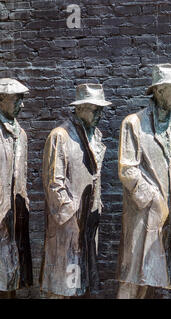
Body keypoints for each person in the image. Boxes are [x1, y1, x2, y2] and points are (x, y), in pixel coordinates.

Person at [117, 64, 171, 299]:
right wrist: (154, 200)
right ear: (159, 91)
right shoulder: (134, 123)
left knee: (149, 276)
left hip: (159, 217)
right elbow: (127, 170)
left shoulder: (167, 125)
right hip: (141, 214)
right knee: (132, 277)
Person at [40, 83, 111, 298]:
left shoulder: (94, 135)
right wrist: (70, 214)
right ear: (79, 108)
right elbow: (54, 182)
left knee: (81, 279)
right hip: (68, 224)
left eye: (101, 109)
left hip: (88, 222)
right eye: (94, 108)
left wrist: (95, 208)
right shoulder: (60, 136)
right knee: (64, 280)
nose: (99, 113)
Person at [0, 78, 33, 299]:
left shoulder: (21, 134)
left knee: (13, 272)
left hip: (16, 213)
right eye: (16, 99)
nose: (21, 104)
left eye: (22, 99)